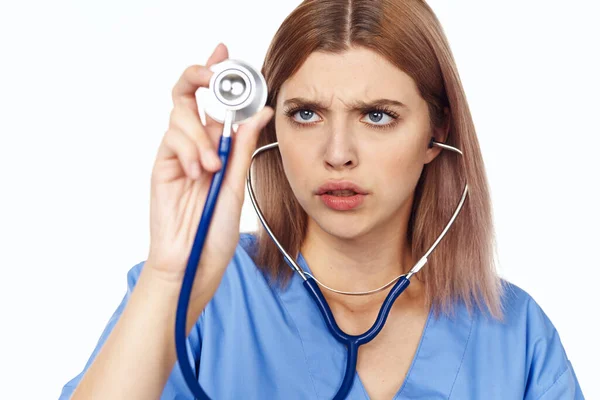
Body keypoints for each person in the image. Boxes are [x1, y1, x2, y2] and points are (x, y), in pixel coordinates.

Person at [59, 0, 584, 399]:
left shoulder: (515, 336)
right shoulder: (203, 299)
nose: (338, 154)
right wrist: (172, 277)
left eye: (378, 115)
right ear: (268, 125)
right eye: (306, 113)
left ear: (435, 131)